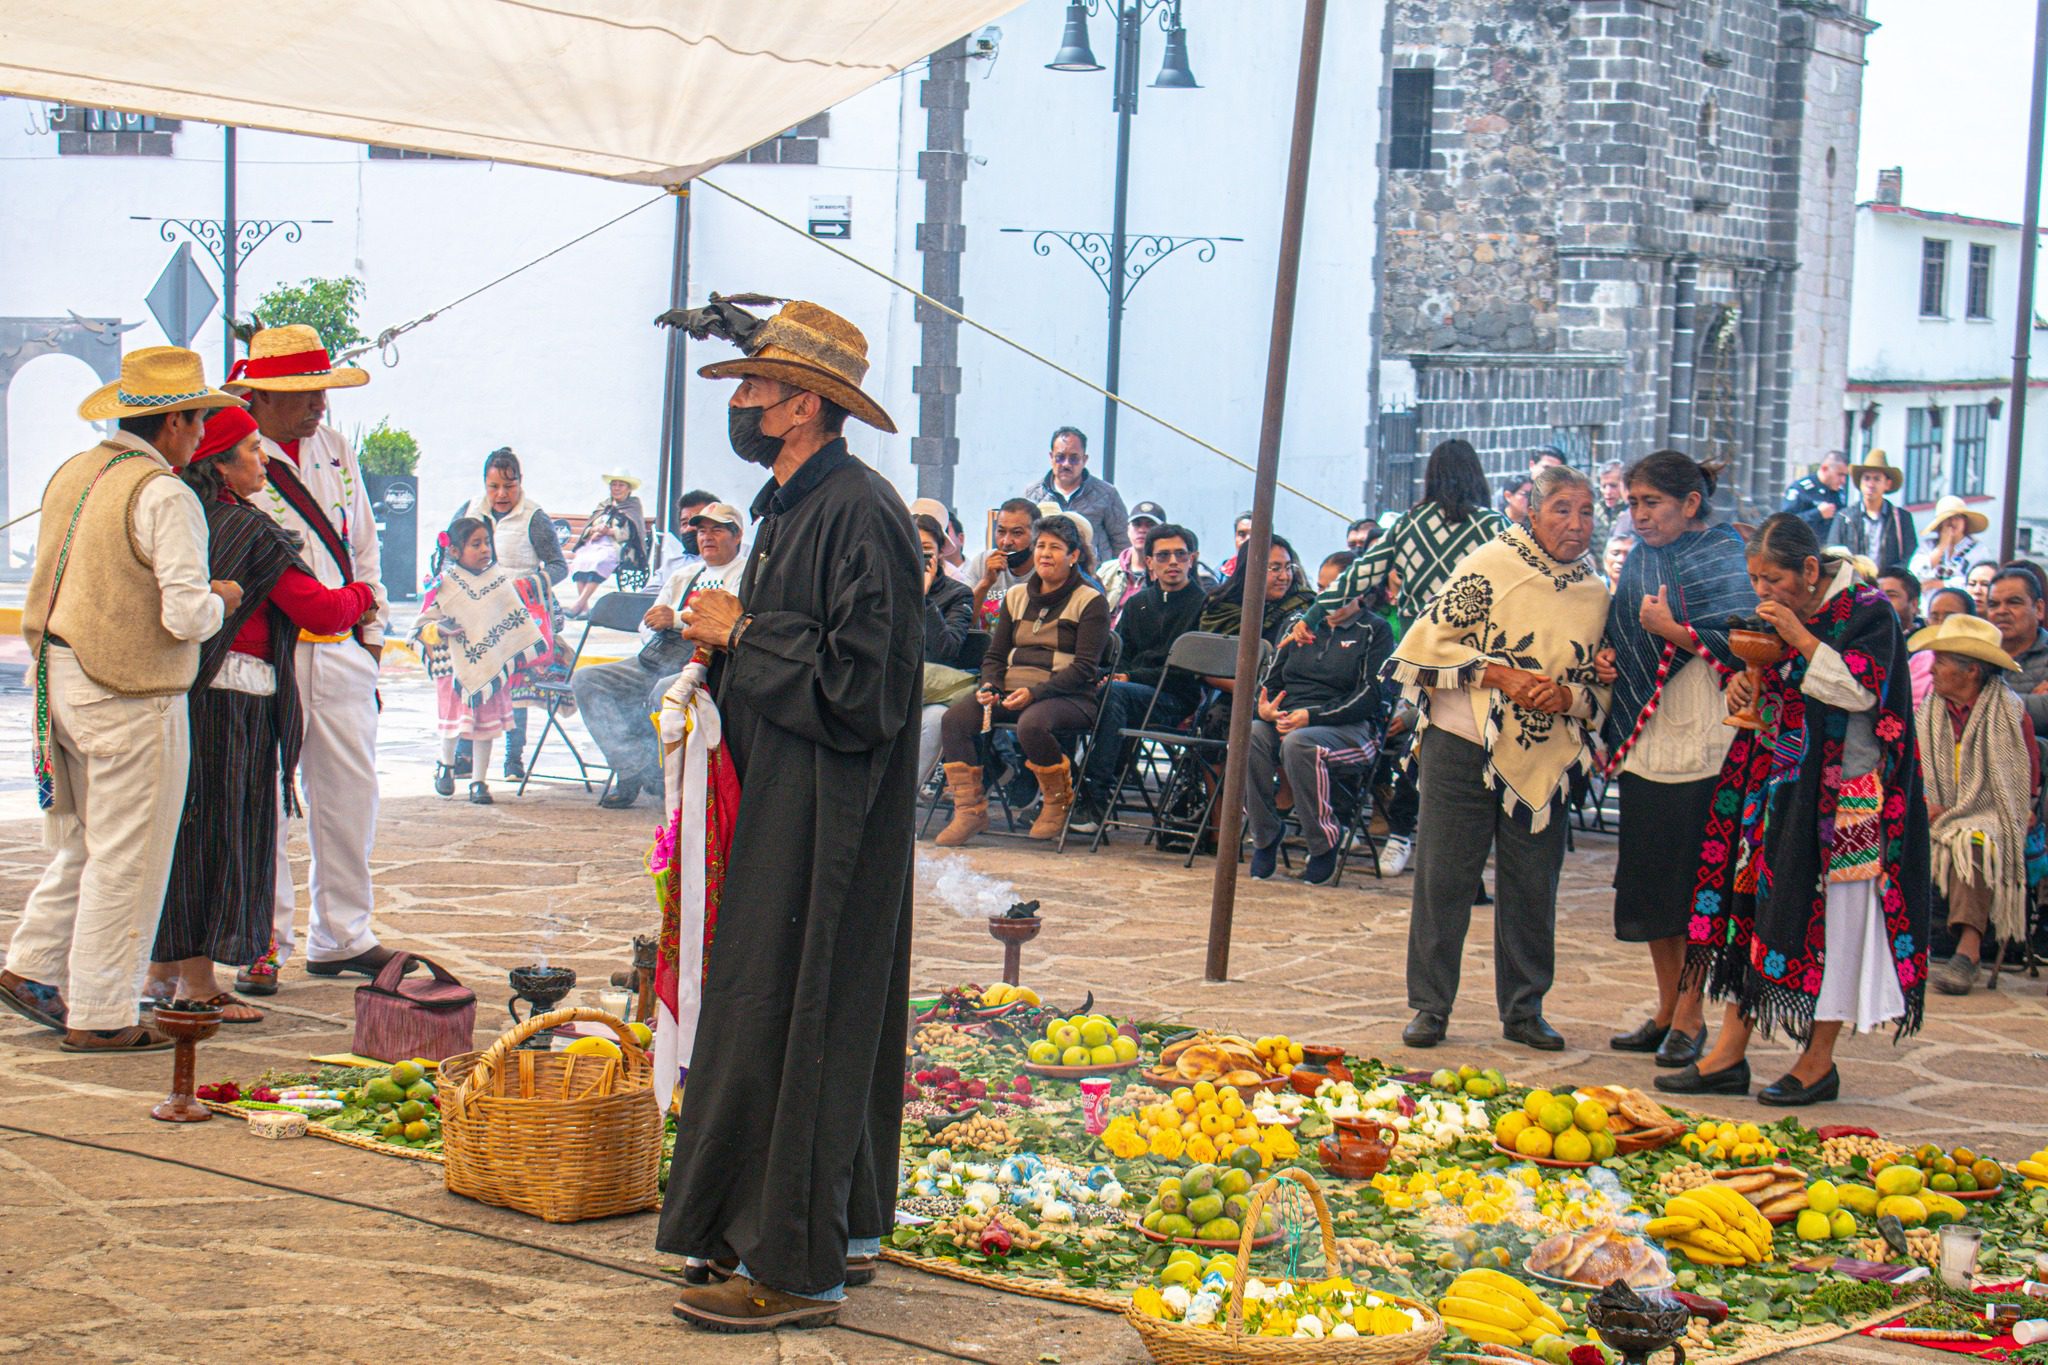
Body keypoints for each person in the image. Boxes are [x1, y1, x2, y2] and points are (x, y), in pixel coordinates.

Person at [659, 299, 922, 1332]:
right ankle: (837, 1228)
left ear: (804, 405)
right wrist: (719, 651)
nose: (743, 403)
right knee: (794, 1007)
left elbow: (867, 694)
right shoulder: (790, 506)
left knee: (804, 1013)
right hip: (782, 794)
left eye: (756, 389)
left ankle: (795, 1266)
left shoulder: (861, 512)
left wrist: (743, 630)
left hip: (830, 811)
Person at [0, 347, 237, 1052]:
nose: (201, 435)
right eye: (196, 420)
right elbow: (186, 615)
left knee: (84, 841)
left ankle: (32, 965)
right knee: (128, 858)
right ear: (172, 424)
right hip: (132, 694)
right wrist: (224, 595)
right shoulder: (165, 495)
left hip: (61, 680)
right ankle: (102, 1011)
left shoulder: (75, 471)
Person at [1660, 514, 1931, 1107]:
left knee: (1835, 922)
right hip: (1779, 787)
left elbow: (1864, 693)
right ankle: (1729, 1053)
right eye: (1755, 578)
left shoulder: (1868, 612)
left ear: (1811, 570)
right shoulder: (1776, 613)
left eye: (1773, 578)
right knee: (1754, 913)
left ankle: (1817, 1061)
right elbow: (1773, 684)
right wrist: (1743, 686)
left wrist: (1803, 640)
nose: (1762, 592)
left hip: (1848, 801)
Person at [144, 407, 378, 1022]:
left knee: (187, 829)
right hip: (233, 700)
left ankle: (161, 970)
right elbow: (322, 611)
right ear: (219, 462)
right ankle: (198, 981)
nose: (262, 460)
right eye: (250, 450)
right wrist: (367, 598)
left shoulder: (188, 517)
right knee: (219, 835)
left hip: (188, 694)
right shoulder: (248, 529)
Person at [1389, 466, 1611, 1053]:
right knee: (1444, 878)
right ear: (1532, 514)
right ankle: (1430, 1006)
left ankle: (1524, 1010)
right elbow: (1427, 644)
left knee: (1533, 885)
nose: (1576, 523)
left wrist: (1565, 696)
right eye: (1562, 509)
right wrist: (1503, 675)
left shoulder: (1595, 592)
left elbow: (1599, 684)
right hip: (1462, 741)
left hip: (1544, 754)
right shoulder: (1490, 566)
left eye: (1586, 512)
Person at [230, 325, 395, 990]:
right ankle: (264, 941)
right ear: (263, 394)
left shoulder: (332, 446)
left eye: (321, 388)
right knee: (266, 798)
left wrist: (373, 628)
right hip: (276, 648)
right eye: (302, 392)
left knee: (350, 791)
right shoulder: (240, 452)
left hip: (344, 643)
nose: (318, 402)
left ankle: (344, 932)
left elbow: (362, 539)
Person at [1600, 452, 1754, 1071]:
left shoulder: (1725, 555)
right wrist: (1612, 656)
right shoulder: (1641, 558)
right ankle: (1667, 1008)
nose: (1639, 515)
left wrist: (1676, 630)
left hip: (1707, 742)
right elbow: (1624, 631)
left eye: (1651, 503)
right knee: (1651, 887)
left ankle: (1691, 1014)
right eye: (1633, 503)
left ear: (1690, 503)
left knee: (1696, 890)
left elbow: (1748, 642)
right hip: (1648, 739)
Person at [936, 516, 1110, 845]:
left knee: (1032, 724)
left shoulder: (1090, 600)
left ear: (1073, 555)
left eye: (1055, 548)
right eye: (1041, 546)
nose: (1045, 554)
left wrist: (1035, 693)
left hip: (1070, 696)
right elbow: (995, 655)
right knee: (955, 720)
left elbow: (1085, 668)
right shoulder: (1016, 597)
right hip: (1012, 691)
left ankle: (1057, 803)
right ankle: (969, 810)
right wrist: (989, 686)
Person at [573, 502, 747, 810]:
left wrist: (676, 619)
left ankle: (671, 780)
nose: (707, 537)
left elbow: (727, 622)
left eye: (717, 530)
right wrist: (658, 626)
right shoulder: (685, 575)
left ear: (737, 535)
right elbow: (649, 620)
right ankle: (632, 768)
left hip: (709, 663)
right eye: (702, 530)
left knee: (664, 690)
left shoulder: (744, 575)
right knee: (589, 680)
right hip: (660, 656)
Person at [1246, 551, 1394, 886]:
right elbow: (1269, 680)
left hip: (1350, 729)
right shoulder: (1299, 625)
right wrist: (1265, 708)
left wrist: (1310, 717)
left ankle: (1324, 842)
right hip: (1290, 718)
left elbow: (1371, 697)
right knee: (1251, 734)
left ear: (1358, 591)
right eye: (1322, 589)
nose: (1325, 600)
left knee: (1300, 744)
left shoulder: (1375, 631)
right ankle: (1265, 834)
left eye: (1334, 591)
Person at [1914, 615, 2038, 996]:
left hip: (1991, 813)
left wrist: (2024, 809)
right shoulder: (1929, 712)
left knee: (1974, 842)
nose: (1932, 668)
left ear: (1971, 671)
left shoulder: (2010, 713)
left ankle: (1967, 953)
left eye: (1943, 662)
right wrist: (1923, 802)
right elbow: (1911, 767)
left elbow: (2023, 781)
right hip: (1936, 808)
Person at [1069, 522, 1206, 833]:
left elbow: (1186, 672)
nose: (1173, 562)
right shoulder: (1137, 603)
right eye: (1164, 555)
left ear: (1192, 559)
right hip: (1125, 694)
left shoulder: (1203, 605)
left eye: (1180, 555)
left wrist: (1127, 676)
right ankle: (1055, 787)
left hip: (1173, 700)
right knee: (1068, 693)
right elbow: (1118, 655)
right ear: (1149, 562)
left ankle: (1094, 796)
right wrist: (1107, 675)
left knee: (1114, 695)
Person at [1299, 441, 1506, 638]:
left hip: (1417, 644)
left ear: (1431, 477)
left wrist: (1310, 618)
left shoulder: (1408, 523)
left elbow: (1360, 574)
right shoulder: (1493, 525)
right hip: (1474, 643)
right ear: (1476, 475)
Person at [417, 517, 559, 804]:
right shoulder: (444, 585)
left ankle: (479, 782)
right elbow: (420, 627)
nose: (484, 549)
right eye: (476, 544)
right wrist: (438, 630)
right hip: (454, 669)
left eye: (487, 543)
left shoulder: (499, 584)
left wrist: (512, 650)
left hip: (493, 668)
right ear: (455, 551)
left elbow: (518, 624)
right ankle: (446, 764)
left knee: (486, 726)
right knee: (455, 722)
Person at [450, 447, 568, 783]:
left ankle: (513, 758)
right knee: (470, 678)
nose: (502, 494)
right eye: (494, 487)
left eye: (509, 486)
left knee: (514, 685)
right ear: (484, 485)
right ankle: (463, 753)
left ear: (520, 483)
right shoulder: (469, 511)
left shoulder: (534, 517)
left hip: (520, 615)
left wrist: (528, 585)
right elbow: (448, 555)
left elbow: (559, 566)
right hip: (475, 612)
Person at [916, 512, 978, 785]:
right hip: (888, 689)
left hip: (933, 692)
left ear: (941, 552)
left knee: (937, 719)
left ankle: (904, 803)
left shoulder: (958, 593)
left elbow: (946, 651)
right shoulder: (883, 586)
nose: (918, 555)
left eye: (927, 549)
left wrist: (924, 599)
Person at [1021, 425, 1130, 559]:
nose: (1066, 464)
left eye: (1074, 458)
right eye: (1060, 457)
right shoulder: (1033, 494)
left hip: (1093, 576)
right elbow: (1025, 539)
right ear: (1051, 457)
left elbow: (1122, 543)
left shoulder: (1106, 494)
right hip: (1047, 574)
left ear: (1084, 460)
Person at [564, 473, 648, 616]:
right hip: (594, 544)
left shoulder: (633, 506)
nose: (616, 488)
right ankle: (584, 609)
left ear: (629, 489)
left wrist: (610, 531)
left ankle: (578, 604)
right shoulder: (604, 505)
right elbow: (589, 526)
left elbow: (633, 533)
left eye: (621, 485)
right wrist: (594, 530)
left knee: (599, 561)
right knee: (580, 560)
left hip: (618, 547)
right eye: (614, 485)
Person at [1825, 449, 1917, 571]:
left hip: (1888, 584)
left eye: (1877, 479)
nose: (1871, 484)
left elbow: (1909, 553)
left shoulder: (1901, 518)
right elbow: (1833, 552)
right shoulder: (1844, 517)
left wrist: (1893, 576)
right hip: (1854, 583)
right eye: (1867, 478)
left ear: (1887, 484)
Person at [1985, 566, 2048, 736]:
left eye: (2014, 602)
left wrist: (1981, 701)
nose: (2001, 611)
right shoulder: (1976, 657)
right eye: (1993, 604)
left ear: (2039, 609)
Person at [973, 497, 1040, 627]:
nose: (1006, 541)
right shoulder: (982, 562)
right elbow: (962, 623)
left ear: (1036, 536)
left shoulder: (1044, 570)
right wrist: (985, 583)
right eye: (1001, 531)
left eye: (1017, 533)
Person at [1910, 587, 1978, 708]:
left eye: (1949, 618)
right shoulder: (1917, 660)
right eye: (1934, 617)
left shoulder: (1974, 665)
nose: (1940, 624)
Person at [1097, 499, 1166, 615]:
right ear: (1128, 530)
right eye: (1137, 524)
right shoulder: (1107, 570)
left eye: (1150, 525)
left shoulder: (1167, 572)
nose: (1142, 530)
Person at [1909, 496, 1990, 594]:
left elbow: (1981, 580)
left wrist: (1941, 584)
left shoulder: (1978, 549)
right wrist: (1941, 547)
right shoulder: (1928, 546)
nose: (1952, 522)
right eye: (1947, 518)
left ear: (1965, 522)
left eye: (1958, 518)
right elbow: (1915, 575)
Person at [1783, 450, 1851, 529]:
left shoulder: (1839, 494)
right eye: (1840, 475)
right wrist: (1818, 514)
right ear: (1824, 468)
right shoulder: (1801, 489)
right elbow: (1785, 523)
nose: (1843, 481)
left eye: (1845, 476)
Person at [1595, 459, 1634, 545]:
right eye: (1604, 486)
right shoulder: (1595, 511)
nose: (1608, 492)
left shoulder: (1632, 511)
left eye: (1613, 486)